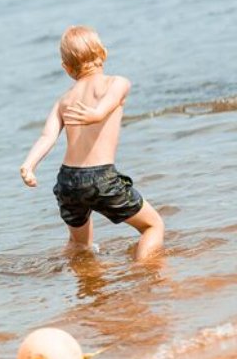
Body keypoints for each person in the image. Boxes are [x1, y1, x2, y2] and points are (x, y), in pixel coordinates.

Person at [19, 25, 164, 261]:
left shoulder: (64, 100)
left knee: (80, 244)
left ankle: (85, 284)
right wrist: (96, 115)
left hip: (68, 182)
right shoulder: (118, 83)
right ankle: (144, 274)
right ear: (103, 53)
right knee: (153, 226)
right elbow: (106, 105)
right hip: (100, 178)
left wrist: (29, 165)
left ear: (66, 68)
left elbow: (47, 137)